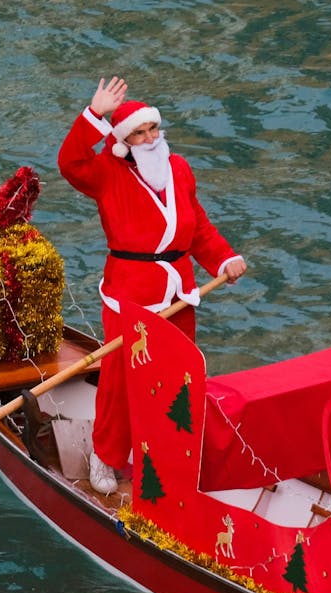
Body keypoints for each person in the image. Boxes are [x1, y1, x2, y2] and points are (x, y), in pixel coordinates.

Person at [58, 76, 248, 495]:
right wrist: (96, 114)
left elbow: (197, 228)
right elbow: (69, 163)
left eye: (152, 129)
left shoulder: (178, 168)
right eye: (138, 133)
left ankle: (169, 454)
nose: (148, 138)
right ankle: (106, 457)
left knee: (180, 378)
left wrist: (224, 258)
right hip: (129, 294)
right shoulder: (106, 171)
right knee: (119, 381)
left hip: (179, 293)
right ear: (123, 140)